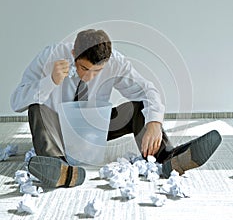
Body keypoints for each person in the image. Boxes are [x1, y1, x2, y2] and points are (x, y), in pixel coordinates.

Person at [11, 29, 222, 188]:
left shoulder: (116, 63)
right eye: (84, 68)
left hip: (95, 129)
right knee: (36, 107)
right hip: (58, 132)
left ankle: (168, 159)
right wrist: (49, 81)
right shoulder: (50, 56)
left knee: (138, 108)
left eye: (97, 71)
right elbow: (16, 102)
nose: (89, 76)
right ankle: (57, 167)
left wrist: (155, 122)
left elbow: (147, 90)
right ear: (74, 52)